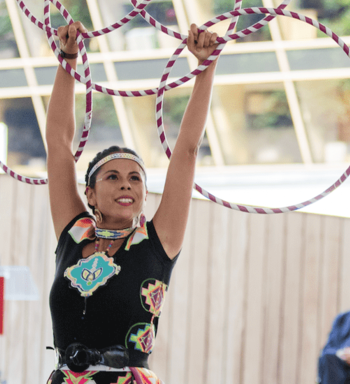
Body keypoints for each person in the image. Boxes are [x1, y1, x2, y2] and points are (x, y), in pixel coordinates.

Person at [45, 21, 219, 384]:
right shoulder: (73, 235)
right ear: (90, 194)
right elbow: (59, 145)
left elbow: (187, 151)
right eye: (112, 177)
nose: (126, 184)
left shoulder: (158, 242)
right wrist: (68, 58)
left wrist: (206, 67)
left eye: (135, 178)